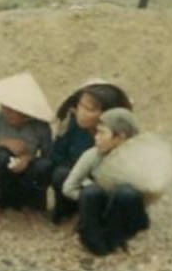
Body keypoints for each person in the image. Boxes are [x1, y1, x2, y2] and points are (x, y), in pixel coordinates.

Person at [62, 108, 149, 256]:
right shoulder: (92, 155)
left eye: (102, 133)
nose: (96, 137)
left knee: (127, 193)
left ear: (120, 137)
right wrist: (91, 197)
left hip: (122, 212)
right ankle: (95, 244)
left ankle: (121, 239)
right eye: (97, 132)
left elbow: (144, 194)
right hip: (97, 209)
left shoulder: (138, 160)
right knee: (91, 193)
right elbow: (69, 187)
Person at [50, 81, 132, 224]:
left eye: (90, 109)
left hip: (103, 186)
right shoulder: (71, 123)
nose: (82, 112)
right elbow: (57, 155)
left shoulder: (118, 135)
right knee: (60, 173)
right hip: (74, 180)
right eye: (81, 105)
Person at [0, 72, 53, 212]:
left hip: (26, 174)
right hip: (1, 174)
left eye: (13, 110)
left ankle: (33, 207)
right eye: (5, 108)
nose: (7, 112)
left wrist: (27, 158)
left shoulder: (41, 127)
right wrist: (1, 143)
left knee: (44, 166)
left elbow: (48, 156)